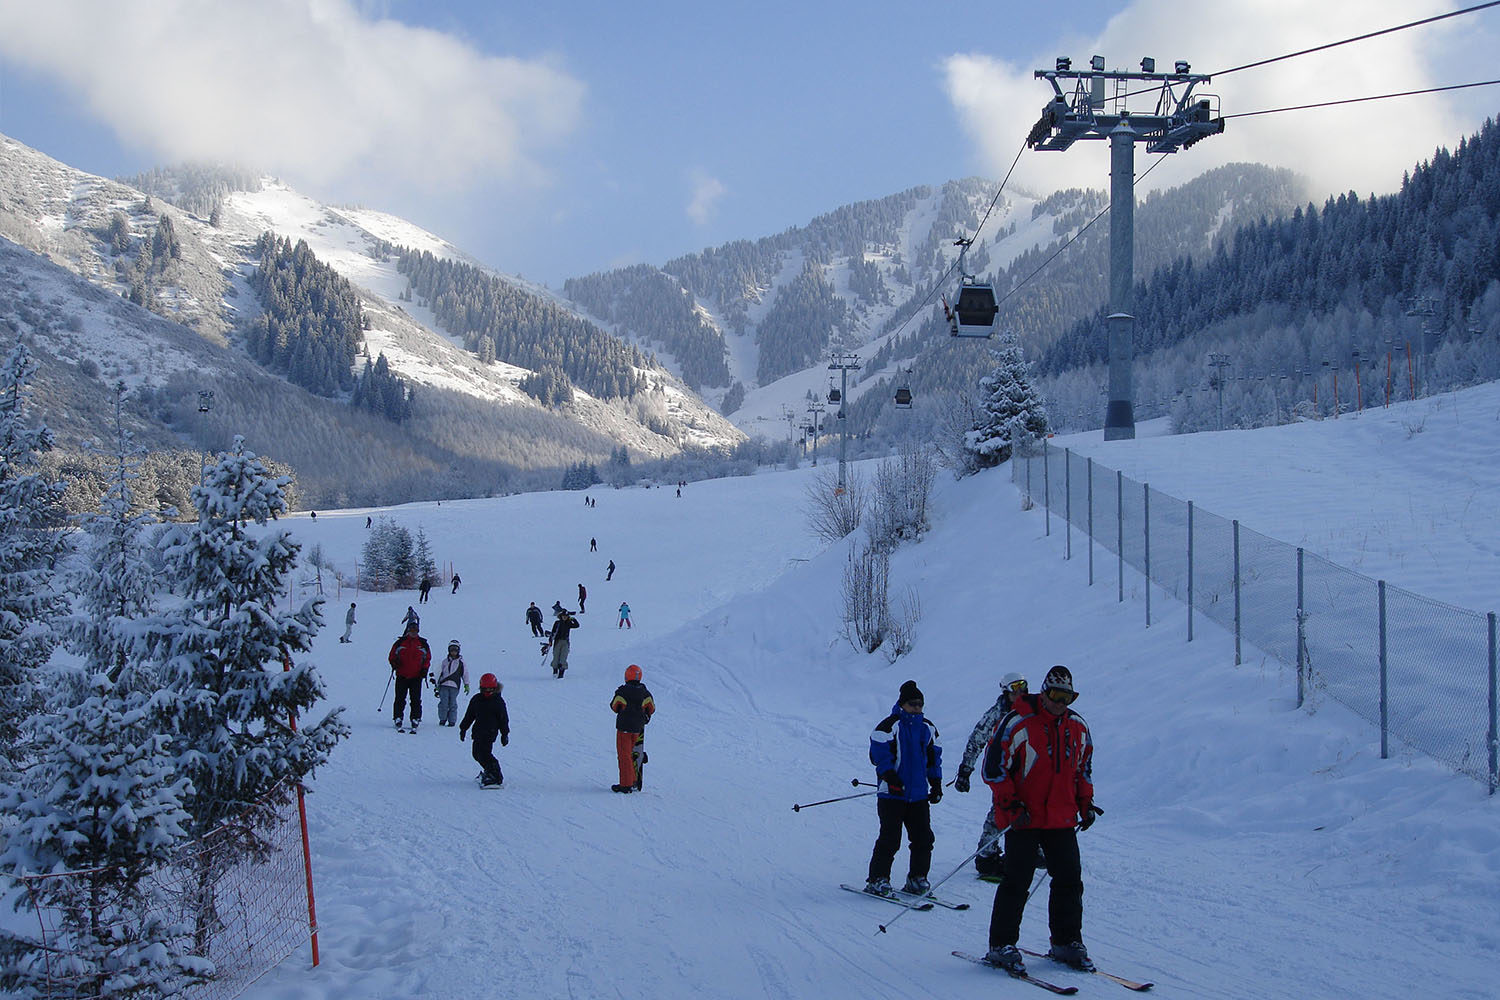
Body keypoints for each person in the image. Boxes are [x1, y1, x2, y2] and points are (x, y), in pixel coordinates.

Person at [980, 666, 1100, 975]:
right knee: (1017, 881)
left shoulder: (1077, 727)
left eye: (1067, 697)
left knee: (1069, 880)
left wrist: (1085, 804)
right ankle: (1001, 945)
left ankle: (1066, 941)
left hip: (1061, 818)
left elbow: (1083, 769)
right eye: (1055, 695)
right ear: (1044, 693)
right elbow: (993, 768)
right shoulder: (1017, 722)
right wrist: (1011, 803)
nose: (1060, 703)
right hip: (1024, 818)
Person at [864, 680, 943, 898]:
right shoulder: (889, 726)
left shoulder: (927, 728)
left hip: (918, 795)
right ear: (902, 704)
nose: (916, 708)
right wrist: (890, 777)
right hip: (892, 794)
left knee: (923, 838)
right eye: (912, 704)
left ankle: (917, 878)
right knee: (890, 838)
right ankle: (878, 879)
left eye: (920, 704)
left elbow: (934, 758)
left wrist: (936, 783)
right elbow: (879, 755)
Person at [956, 672, 1031, 876]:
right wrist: (965, 770)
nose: (1020, 693)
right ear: (1006, 692)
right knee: (1001, 809)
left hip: (1029, 770)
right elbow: (977, 740)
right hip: (1003, 771)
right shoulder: (997, 714)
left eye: (1023, 687)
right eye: (1015, 689)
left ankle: (1035, 850)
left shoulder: (1032, 710)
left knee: (1031, 809)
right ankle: (986, 856)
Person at [459, 673, 509, 787]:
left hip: (490, 732)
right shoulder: (477, 699)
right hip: (477, 731)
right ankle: (489, 771)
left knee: (484, 754)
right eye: (485, 689)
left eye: (491, 689)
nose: (488, 692)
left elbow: (503, 719)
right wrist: (463, 728)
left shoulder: (498, 702)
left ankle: (496, 776)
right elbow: (469, 715)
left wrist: (504, 734)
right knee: (476, 754)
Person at [610, 664, 654, 792]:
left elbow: (614, 706)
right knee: (630, 754)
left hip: (624, 728)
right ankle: (633, 779)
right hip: (638, 728)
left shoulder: (622, 692)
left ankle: (626, 784)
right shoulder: (645, 693)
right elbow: (651, 708)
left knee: (624, 755)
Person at [387, 621, 432, 732]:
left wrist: (425, 669)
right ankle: (398, 717)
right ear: (408, 631)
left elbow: (427, 658)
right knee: (400, 698)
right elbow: (392, 656)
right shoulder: (400, 643)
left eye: (415, 630)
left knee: (415, 699)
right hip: (402, 675)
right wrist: (394, 663)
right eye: (411, 630)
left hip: (416, 676)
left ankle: (415, 718)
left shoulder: (423, 644)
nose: (413, 632)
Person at [432, 639, 470, 727]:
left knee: (452, 703)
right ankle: (442, 719)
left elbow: (465, 674)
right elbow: (439, 673)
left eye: (455, 649)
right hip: (443, 686)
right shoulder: (445, 662)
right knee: (443, 703)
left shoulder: (461, 663)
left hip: (454, 686)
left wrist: (466, 684)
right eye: (452, 649)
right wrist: (437, 684)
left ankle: (452, 720)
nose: (453, 652)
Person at [547, 607, 580, 678]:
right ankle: (555, 671)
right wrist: (550, 641)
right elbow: (553, 632)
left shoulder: (569, 623)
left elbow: (577, 625)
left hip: (565, 642)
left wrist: (573, 619)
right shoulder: (557, 623)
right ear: (561, 616)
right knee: (556, 657)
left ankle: (561, 673)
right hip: (557, 642)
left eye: (566, 616)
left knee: (563, 657)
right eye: (563, 616)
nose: (564, 617)